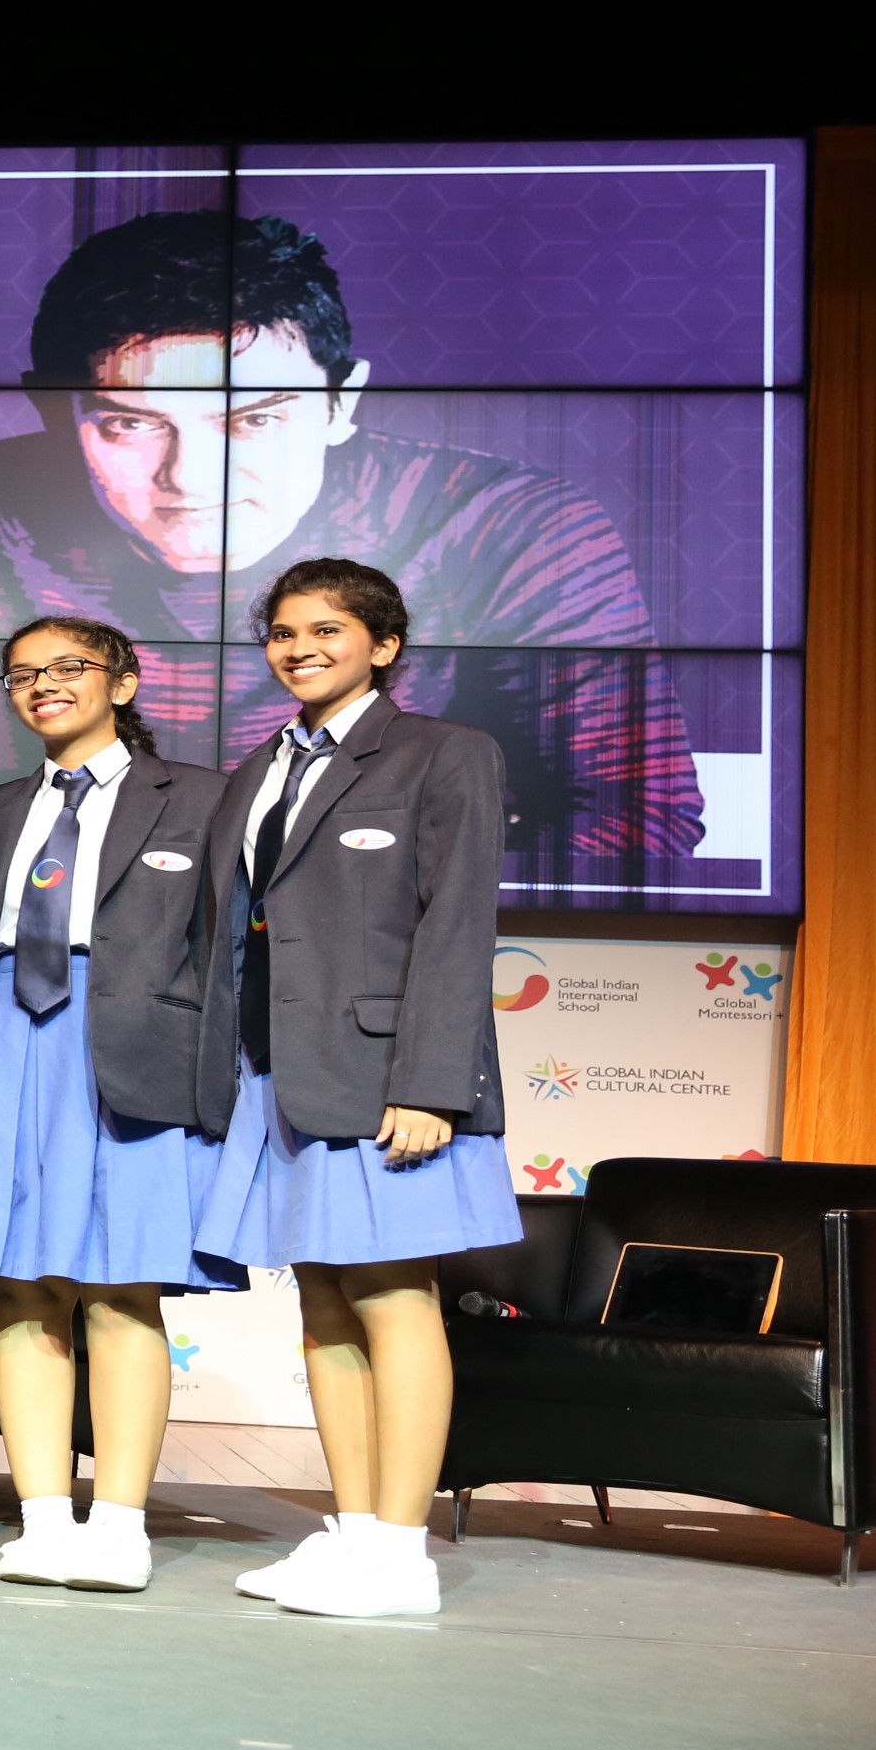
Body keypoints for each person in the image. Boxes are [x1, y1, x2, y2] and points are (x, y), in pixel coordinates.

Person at [0, 208, 700, 863]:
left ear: (342, 402)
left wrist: (334, 904)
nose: (193, 480)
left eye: (256, 420)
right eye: (130, 424)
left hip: (364, 969)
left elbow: (644, 820)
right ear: (58, 411)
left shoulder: (506, 524)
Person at [196, 558, 522, 1619]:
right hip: (280, 1073)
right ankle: (348, 1534)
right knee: (324, 1304)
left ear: (380, 644)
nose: (298, 649)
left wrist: (430, 1083)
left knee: (392, 1295)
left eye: (324, 630)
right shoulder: (257, 769)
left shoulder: (442, 753)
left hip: (392, 1076)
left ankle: (400, 1550)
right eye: (281, 633)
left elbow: (455, 924)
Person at [0, 616, 239, 1593]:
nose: (41, 685)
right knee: (18, 1287)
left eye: (67, 667)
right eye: (21, 675)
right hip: (6, 1042)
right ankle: (44, 1517)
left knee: (120, 1285)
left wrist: (217, 1093)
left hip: (134, 1051)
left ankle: (122, 1522)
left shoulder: (204, 801)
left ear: (123, 682)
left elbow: (231, 958)